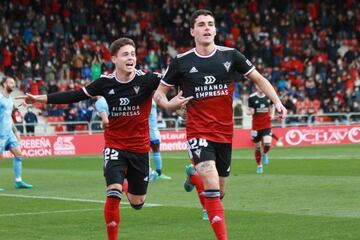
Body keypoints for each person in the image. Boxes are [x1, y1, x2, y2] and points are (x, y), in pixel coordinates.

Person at [154, 9, 287, 240]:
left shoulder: (231, 55)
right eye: (202, 24)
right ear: (192, 31)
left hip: (224, 133)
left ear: (215, 30)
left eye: (210, 24)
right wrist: (168, 105)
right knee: (213, 185)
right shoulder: (182, 62)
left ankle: (193, 177)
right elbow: (159, 94)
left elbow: (259, 79)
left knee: (219, 192)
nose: (207, 28)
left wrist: (277, 101)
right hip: (197, 131)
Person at [17, 38, 162, 240]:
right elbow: (74, 95)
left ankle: (125, 184)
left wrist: (181, 104)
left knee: (137, 203)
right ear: (114, 59)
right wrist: (38, 98)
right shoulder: (104, 82)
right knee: (113, 193)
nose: (131, 58)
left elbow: (177, 80)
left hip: (139, 148)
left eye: (133, 54)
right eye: (126, 54)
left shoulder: (148, 79)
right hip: (115, 146)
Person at [0, 76, 33, 190]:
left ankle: (18, 181)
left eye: (14, 83)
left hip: (9, 133)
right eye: (11, 83)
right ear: (4, 84)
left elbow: (8, 117)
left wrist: (16, 131)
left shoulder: (10, 99)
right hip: (0, 134)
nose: (14, 85)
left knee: (18, 155)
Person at [247, 84, 275, 174]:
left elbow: (272, 106)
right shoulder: (252, 98)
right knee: (258, 147)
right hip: (256, 126)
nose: (261, 87)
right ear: (256, 87)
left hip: (267, 124)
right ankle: (259, 166)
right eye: (259, 86)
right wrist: (249, 112)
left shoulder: (268, 96)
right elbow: (248, 110)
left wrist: (272, 114)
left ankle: (265, 154)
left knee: (267, 144)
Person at [148, 99, 171, 181]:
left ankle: (153, 173)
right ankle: (155, 173)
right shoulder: (152, 101)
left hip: (148, 131)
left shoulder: (148, 101)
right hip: (153, 130)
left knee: (148, 151)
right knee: (155, 151)